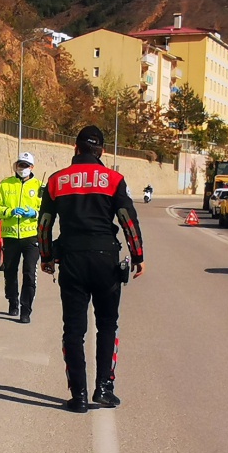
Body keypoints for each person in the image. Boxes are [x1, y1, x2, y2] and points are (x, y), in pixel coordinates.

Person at [38, 125, 145, 413]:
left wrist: (46, 256)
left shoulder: (57, 180)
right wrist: (138, 255)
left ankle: (79, 396)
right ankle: (104, 388)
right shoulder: (113, 179)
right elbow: (127, 219)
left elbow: (44, 223)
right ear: (102, 152)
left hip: (71, 259)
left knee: (73, 330)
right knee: (107, 324)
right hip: (105, 259)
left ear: (75, 148)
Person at [0, 151, 43, 323]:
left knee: (29, 273)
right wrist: (9, 211)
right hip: (11, 236)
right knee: (10, 272)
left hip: (31, 237)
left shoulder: (39, 186)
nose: (23, 168)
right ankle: (13, 301)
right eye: (20, 164)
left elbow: (45, 210)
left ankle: (26, 310)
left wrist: (34, 213)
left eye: (26, 165)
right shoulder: (5, 185)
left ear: (32, 167)